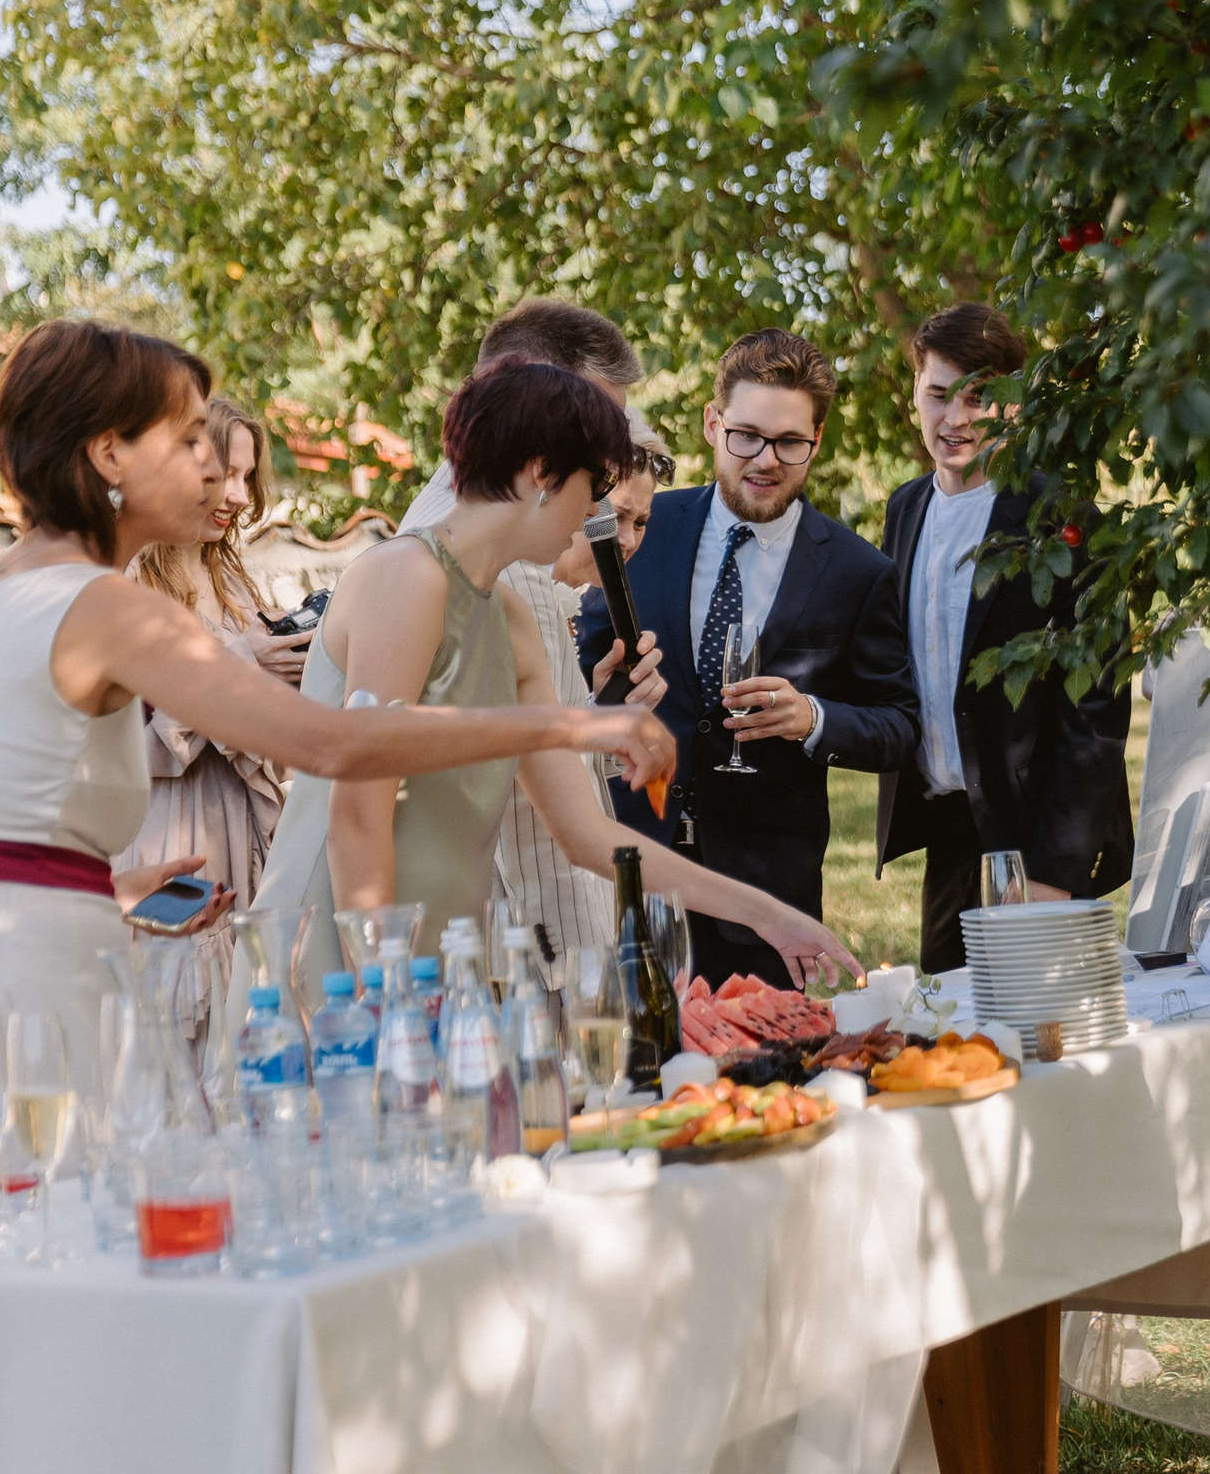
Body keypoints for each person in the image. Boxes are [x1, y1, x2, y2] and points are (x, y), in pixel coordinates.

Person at [0, 319, 674, 1167]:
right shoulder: (107, 605)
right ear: (108, 454)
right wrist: (575, 723)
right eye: (186, 440)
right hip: (21, 1003)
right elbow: (333, 743)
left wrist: (99, 887)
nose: (214, 467)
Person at [258, 357, 857, 988]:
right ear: (543, 474)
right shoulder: (405, 577)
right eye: (594, 487)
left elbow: (587, 835)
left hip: (433, 968)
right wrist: (382, 992)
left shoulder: (510, 615)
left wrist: (768, 916)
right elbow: (357, 817)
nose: (596, 514)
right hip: (340, 965)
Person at [577, 329, 919, 986]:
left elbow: (899, 726)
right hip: (633, 871)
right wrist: (603, 698)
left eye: (790, 442)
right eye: (747, 436)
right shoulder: (639, 525)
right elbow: (588, 665)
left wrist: (813, 717)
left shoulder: (858, 572)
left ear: (816, 440)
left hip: (768, 901)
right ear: (713, 424)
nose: (766, 460)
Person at [875, 304, 1133, 971]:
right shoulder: (904, 509)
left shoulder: (1065, 517)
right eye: (938, 395)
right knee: (946, 1022)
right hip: (947, 828)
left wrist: (1053, 870)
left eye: (979, 398)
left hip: (1034, 830)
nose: (956, 418)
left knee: (1045, 1025)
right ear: (914, 394)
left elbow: (1098, 712)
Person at [402, 299, 652, 963]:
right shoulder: (503, 563)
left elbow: (511, 740)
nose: (606, 478)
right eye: (594, 438)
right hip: (514, 940)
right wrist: (586, 967)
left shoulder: (452, 523)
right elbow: (538, 829)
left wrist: (596, 711)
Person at [117, 395, 310, 1043]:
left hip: (247, 834)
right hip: (173, 834)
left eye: (247, 477)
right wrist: (243, 662)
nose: (238, 495)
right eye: (226, 474)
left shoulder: (237, 586)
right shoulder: (132, 583)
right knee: (181, 1027)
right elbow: (135, 739)